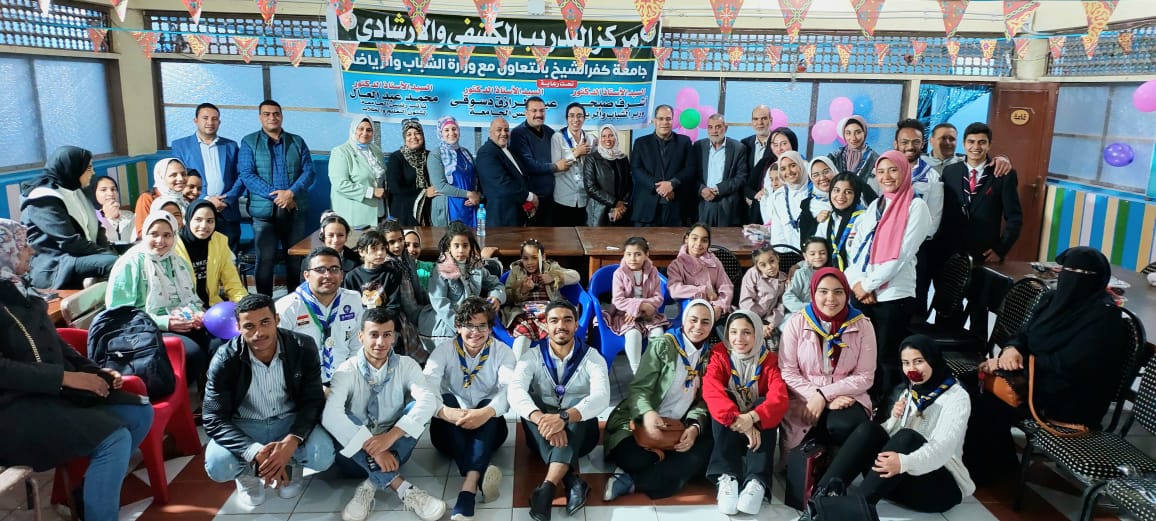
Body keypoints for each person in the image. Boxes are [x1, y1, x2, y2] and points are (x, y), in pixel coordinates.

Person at [0, 219, 153, 521]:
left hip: (51, 392)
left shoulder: (22, 288)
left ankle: (89, 496)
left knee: (138, 414)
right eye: (23, 245)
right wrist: (66, 378)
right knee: (114, 439)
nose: (31, 251)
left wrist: (94, 372)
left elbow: (54, 342)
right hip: (13, 409)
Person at [965, 246, 1126, 484]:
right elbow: (1024, 334)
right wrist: (1011, 350)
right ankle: (994, 463)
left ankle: (986, 473)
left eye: (1081, 274)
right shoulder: (1052, 299)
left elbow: (1069, 364)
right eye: (1068, 271)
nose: (1071, 279)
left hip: (1068, 396)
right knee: (966, 384)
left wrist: (1010, 364)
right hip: (1034, 378)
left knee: (984, 403)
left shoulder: (1104, 316)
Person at [202, 293, 335, 506]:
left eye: (265, 322)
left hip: (289, 421)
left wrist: (292, 441)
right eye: (249, 326)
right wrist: (254, 451)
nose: (259, 333)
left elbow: (313, 400)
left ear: (277, 319)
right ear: (238, 327)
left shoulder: (302, 346)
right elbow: (212, 418)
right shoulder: (225, 358)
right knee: (219, 465)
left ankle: (290, 466)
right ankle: (248, 476)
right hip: (244, 425)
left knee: (323, 455)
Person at [816, 334, 973, 513]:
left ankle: (854, 511)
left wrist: (904, 462)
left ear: (933, 359)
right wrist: (894, 420)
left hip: (938, 488)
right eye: (906, 363)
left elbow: (942, 450)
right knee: (870, 430)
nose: (911, 369)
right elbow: (889, 440)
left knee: (907, 437)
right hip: (896, 480)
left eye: (918, 361)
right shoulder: (911, 390)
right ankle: (819, 501)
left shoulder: (957, 397)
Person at [322, 307, 446, 521]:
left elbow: (428, 401)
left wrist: (390, 436)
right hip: (355, 455)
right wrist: (375, 450)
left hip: (396, 449)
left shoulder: (406, 365)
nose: (380, 342)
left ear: (394, 337)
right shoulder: (346, 370)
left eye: (387, 334)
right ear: (360, 336)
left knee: (417, 407)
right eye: (374, 334)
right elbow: (330, 417)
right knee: (341, 414)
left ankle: (370, 484)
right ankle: (402, 487)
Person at [602, 299, 716, 501]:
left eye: (705, 322)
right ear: (684, 320)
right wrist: (647, 413)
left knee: (706, 449)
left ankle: (631, 481)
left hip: (676, 427)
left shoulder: (709, 357)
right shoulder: (663, 345)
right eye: (693, 320)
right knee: (633, 457)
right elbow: (639, 388)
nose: (698, 326)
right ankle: (667, 469)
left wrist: (694, 427)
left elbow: (703, 401)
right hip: (638, 422)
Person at [508, 301, 610, 521]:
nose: (561, 326)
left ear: (576, 325)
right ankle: (571, 480)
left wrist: (564, 417)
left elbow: (602, 397)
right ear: (546, 325)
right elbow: (514, 391)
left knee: (581, 404)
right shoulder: (532, 356)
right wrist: (542, 418)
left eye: (567, 320)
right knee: (530, 401)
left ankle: (547, 488)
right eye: (554, 320)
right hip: (542, 434)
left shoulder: (593, 358)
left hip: (582, 436)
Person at [844, 151, 932, 403]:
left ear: (905, 172)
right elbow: (854, 248)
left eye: (893, 170)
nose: (886, 176)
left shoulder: (916, 206)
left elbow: (902, 254)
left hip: (894, 294)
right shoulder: (876, 205)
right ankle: (863, 403)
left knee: (886, 357)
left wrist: (868, 285)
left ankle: (887, 409)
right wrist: (857, 283)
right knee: (861, 353)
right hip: (863, 290)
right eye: (881, 171)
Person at [422, 297, 515, 520]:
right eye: (469, 326)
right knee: (447, 399)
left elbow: (510, 390)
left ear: (490, 328)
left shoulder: (503, 352)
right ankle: (477, 478)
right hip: (449, 429)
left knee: (489, 404)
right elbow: (426, 387)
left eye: (482, 326)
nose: (475, 332)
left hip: (489, 428)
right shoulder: (443, 350)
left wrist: (485, 413)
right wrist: (445, 412)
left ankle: (468, 487)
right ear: (458, 327)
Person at [106, 211, 211, 383]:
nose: (160, 241)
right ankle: (177, 395)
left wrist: (197, 314)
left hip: (180, 323)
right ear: (144, 234)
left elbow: (191, 299)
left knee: (218, 343)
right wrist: (165, 322)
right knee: (191, 353)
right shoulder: (130, 263)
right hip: (143, 329)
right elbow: (121, 315)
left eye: (167, 235)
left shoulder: (178, 262)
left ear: (174, 236)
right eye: (153, 234)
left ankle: (211, 394)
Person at [779, 267, 876, 454]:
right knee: (805, 438)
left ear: (846, 294)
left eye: (838, 292)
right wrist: (817, 397)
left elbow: (865, 376)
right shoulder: (796, 322)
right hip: (803, 396)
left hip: (847, 396)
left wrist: (824, 395)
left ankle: (836, 465)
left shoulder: (863, 324)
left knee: (846, 425)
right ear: (813, 293)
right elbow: (788, 372)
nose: (831, 298)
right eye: (823, 291)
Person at [701, 310, 789, 516]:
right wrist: (740, 420)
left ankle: (756, 481)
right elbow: (711, 390)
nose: (739, 339)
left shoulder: (769, 360)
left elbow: (779, 397)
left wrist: (751, 417)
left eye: (747, 332)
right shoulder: (719, 354)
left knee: (764, 403)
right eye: (733, 332)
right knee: (724, 397)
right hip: (727, 430)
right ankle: (727, 476)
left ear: (757, 334)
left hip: (758, 434)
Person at [941, 122, 1024, 333]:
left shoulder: (1002, 174)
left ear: (989, 145)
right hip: (952, 251)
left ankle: (977, 348)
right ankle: (947, 342)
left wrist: (1001, 249)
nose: (976, 147)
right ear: (964, 143)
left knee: (979, 309)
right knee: (948, 307)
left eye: (981, 142)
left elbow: (1014, 218)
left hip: (984, 253)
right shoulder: (950, 171)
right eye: (971, 142)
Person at [238, 99, 315, 297]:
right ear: (260, 117)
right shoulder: (249, 142)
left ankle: (296, 300)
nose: (272, 117)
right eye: (267, 114)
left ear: (281, 116)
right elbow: (247, 175)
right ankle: (264, 302)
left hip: (294, 209)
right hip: (264, 213)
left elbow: (309, 171)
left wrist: (290, 193)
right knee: (265, 259)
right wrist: (277, 195)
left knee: (295, 259)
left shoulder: (297, 141)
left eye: (276, 113)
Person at [21, 146, 118, 289]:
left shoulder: (76, 191)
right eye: (88, 168)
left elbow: (98, 229)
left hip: (82, 256)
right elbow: (70, 242)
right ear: (72, 168)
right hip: (57, 265)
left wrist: (109, 250)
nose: (93, 172)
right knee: (115, 263)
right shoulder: (42, 198)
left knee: (135, 252)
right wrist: (109, 256)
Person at [275, 247, 362, 385]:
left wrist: (351, 378)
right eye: (320, 270)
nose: (328, 275)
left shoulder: (353, 299)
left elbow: (357, 343)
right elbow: (280, 355)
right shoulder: (287, 307)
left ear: (341, 275)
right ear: (306, 275)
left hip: (344, 377)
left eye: (334, 269)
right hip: (304, 382)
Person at [170, 102, 244, 250]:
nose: (210, 122)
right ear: (195, 120)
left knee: (230, 256)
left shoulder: (231, 146)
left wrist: (226, 200)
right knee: (198, 255)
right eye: (205, 118)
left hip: (226, 211)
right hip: (196, 211)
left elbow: (241, 176)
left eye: (214, 119)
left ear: (219, 122)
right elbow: (179, 180)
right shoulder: (181, 146)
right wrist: (207, 199)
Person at [895, 119, 944, 320]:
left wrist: (909, 242)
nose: (910, 146)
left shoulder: (932, 177)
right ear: (896, 143)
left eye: (915, 142)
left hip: (916, 249)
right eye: (904, 141)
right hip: (886, 246)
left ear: (922, 143)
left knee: (915, 303)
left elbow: (933, 220)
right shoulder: (884, 170)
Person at [428, 222, 505, 345]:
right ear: (449, 247)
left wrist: (496, 297)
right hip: (450, 322)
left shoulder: (476, 266)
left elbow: (496, 284)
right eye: (456, 246)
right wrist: (460, 325)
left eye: (465, 246)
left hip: (475, 319)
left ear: (470, 247)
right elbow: (440, 303)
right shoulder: (441, 270)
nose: (461, 250)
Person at [501, 239, 579, 359]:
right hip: (525, 314)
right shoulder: (516, 270)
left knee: (556, 335)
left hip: (548, 312)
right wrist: (522, 290)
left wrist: (554, 276)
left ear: (543, 257)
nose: (530, 262)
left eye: (534, 258)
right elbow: (507, 296)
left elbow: (575, 276)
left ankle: (556, 364)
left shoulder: (551, 267)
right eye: (525, 258)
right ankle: (518, 367)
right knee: (522, 338)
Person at [602, 236, 670, 373]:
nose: (632, 258)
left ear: (646, 254)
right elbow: (618, 300)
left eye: (638, 254)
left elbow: (658, 298)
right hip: (625, 316)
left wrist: (645, 307)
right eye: (628, 254)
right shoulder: (619, 274)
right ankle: (637, 372)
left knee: (658, 334)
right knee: (633, 334)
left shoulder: (653, 272)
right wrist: (641, 305)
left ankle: (654, 370)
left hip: (649, 315)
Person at [174, 200, 249, 310]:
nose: (204, 226)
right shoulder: (174, 245)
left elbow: (232, 281)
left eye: (210, 221)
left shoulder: (219, 241)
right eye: (198, 220)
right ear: (188, 219)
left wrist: (244, 306)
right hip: (183, 310)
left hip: (212, 307)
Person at [510, 96, 570, 226]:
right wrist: (555, 167)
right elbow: (528, 165)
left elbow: (563, 152)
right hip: (531, 200)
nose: (539, 114)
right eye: (534, 111)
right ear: (526, 113)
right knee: (531, 237)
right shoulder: (518, 134)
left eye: (542, 111)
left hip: (551, 198)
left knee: (550, 235)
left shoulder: (549, 132)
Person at [631, 104, 694, 227]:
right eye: (661, 118)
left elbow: (690, 169)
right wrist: (660, 187)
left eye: (668, 119)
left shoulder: (684, 142)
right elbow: (636, 169)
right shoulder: (641, 143)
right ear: (655, 121)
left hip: (676, 206)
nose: (665, 122)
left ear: (673, 121)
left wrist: (672, 184)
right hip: (646, 208)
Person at [475, 117, 537, 227]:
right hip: (501, 220)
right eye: (499, 130)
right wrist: (529, 197)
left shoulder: (508, 150)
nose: (504, 133)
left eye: (506, 130)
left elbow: (520, 179)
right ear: (490, 132)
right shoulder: (486, 152)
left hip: (515, 217)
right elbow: (502, 184)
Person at [692, 113, 750, 227]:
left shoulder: (738, 148)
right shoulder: (698, 146)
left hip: (727, 205)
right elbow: (691, 174)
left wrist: (719, 189)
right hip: (703, 203)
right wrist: (701, 189)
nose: (714, 131)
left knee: (725, 237)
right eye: (710, 127)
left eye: (718, 127)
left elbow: (741, 177)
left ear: (726, 128)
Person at [329, 117, 387, 229]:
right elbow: (340, 184)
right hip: (353, 217)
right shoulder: (340, 152)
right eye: (361, 129)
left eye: (369, 130)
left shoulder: (376, 151)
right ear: (353, 130)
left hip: (378, 214)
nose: (365, 133)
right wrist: (371, 192)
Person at [667, 223, 733, 320]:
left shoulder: (714, 261)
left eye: (704, 240)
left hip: (715, 310)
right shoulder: (677, 265)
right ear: (686, 239)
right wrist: (703, 290)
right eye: (694, 238)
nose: (699, 243)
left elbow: (726, 287)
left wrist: (719, 305)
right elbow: (675, 290)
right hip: (690, 313)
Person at [427, 115, 481, 227]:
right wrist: (469, 194)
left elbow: (475, 179)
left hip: (469, 207)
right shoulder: (436, 155)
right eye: (446, 130)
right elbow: (440, 186)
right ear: (440, 133)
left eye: (454, 129)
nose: (451, 133)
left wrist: (477, 195)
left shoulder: (465, 153)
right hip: (450, 208)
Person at [549, 102, 593, 226]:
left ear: (584, 118)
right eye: (572, 115)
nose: (576, 119)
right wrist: (576, 153)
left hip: (584, 199)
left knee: (582, 236)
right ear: (567, 118)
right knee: (562, 236)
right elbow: (556, 169)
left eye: (579, 116)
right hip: (563, 198)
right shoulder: (558, 137)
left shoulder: (590, 139)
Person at [583, 124, 633, 226]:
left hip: (620, 213)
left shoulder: (622, 158)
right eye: (604, 136)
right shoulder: (592, 159)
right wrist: (615, 203)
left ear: (616, 137)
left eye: (611, 135)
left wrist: (621, 205)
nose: (607, 139)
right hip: (598, 214)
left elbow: (629, 184)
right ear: (600, 139)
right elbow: (590, 188)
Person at [342, 230, 402, 315]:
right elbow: (349, 306)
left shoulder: (391, 274)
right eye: (374, 248)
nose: (380, 253)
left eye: (383, 248)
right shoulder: (352, 277)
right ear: (361, 251)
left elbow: (394, 306)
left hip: (386, 320)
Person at [386, 119, 434, 226]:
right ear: (404, 138)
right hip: (403, 213)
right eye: (409, 134)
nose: (413, 137)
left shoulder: (431, 156)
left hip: (428, 212)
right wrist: (424, 193)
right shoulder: (396, 158)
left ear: (422, 136)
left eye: (417, 133)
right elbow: (395, 188)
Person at [739, 244, 788, 347]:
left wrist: (772, 323)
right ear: (757, 266)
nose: (770, 267)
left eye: (772, 261)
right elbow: (746, 301)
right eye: (763, 265)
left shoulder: (783, 279)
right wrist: (758, 324)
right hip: (749, 316)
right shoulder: (752, 274)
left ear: (777, 258)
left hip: (769, 320)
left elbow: (781, 304)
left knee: (775, 343)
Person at [132, 158, 189, 240]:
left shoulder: (184, 200)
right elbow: (142, 232)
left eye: (183, 174)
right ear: (161, 177)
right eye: (173, 175)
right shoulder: (148, 198)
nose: (181, 178)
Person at [823, 173, 866, 271]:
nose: (841, 196)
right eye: (836, 190)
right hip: (834, 274)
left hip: (858, 275)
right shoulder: (831, 217)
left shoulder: (863, 218)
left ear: (856, 194)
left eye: (848, 192)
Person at [767, 151, 809, 251]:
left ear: (801, 165)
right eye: (783, 169)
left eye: (793, 165)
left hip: (815, 255)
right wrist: (785, 257)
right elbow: (778, 234)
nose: (789, 172)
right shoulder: (778, 197)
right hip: (790, 254)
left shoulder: (815, 192)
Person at [827, 116, 881, 193]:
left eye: (858, 132)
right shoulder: (834, 157)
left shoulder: (875, 159)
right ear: (844, 134)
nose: (853, 138)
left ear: (864, 132)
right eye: (848, 133)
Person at [783, 237, 831, 315]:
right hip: (805, 313)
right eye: (812, 254)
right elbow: (788, 297)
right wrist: (808, 309)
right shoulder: (801, 273)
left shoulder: (833, 273)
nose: (817, 256)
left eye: (822, 253)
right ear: (805, 256)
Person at [796, 157, 836, 248]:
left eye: (826, 172)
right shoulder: (808, 206)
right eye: (816, 175)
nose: (822, 178)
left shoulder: (849, 198)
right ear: (811, 178)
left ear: (834, 171)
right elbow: (804, 243)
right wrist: (816, 222)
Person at [90, 175, 135, 245]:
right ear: (93, 193)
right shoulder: (91, 218)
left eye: (113, 189)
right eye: (103, 190)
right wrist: (108, 218)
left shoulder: (128, 214)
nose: (110, 193)